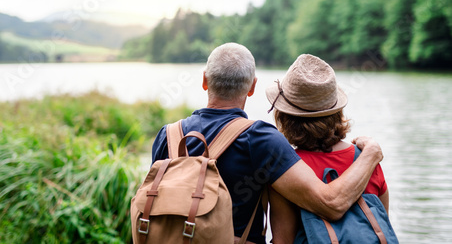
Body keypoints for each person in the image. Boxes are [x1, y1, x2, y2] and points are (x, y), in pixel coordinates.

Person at [151, 43, 383, 244]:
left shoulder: (168, 135)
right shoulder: (260, 138)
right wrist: (371, 153)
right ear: (252, 87)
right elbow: (330, 203)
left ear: (204, 81)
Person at [265, 54, 389, 243]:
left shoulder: (287, 170)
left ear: (285, 116)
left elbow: (283, 240)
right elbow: (382, 226)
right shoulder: (366, 160)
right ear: (336, 112)